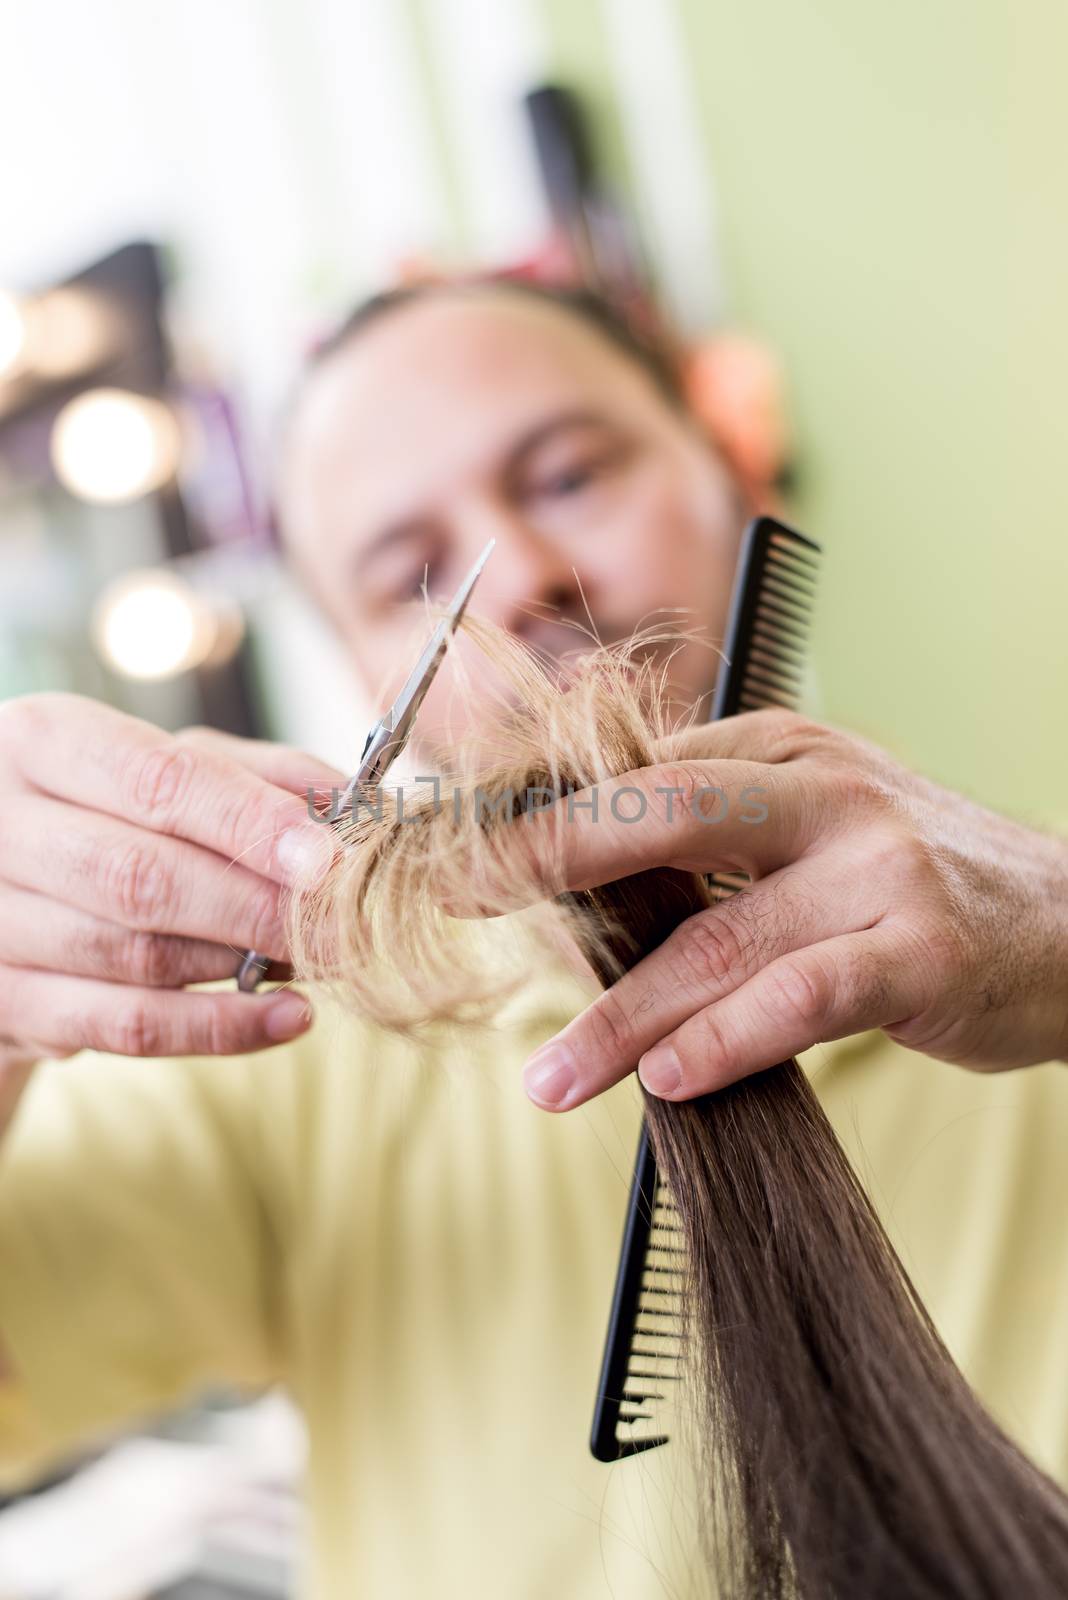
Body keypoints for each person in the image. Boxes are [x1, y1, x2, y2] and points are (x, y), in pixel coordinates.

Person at [0, 279, 1065, 1598]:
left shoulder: (1040, 967)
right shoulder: (277, 1072)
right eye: (411, 576)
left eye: (566, 476)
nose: (522, 580)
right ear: (359, 671)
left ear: (735, 464)